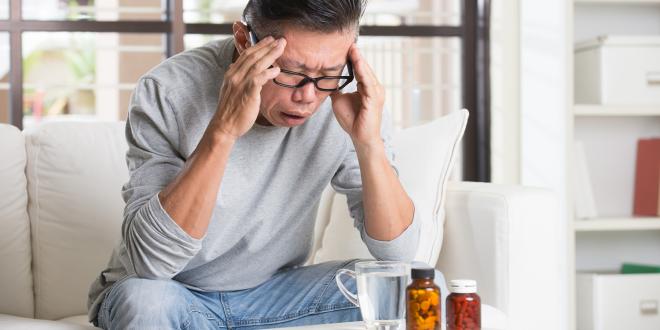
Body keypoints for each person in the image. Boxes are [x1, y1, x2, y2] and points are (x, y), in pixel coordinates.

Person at [87, 0, 437, 329]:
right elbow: (152, 264)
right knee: (144, 302)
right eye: (289, 72)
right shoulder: (167, 90)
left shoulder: (344, 100)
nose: (307, 97)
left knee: (414, 291)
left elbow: (399, 253)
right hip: (173, 293)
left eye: (329, 73)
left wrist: (369, 143)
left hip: (276, 296)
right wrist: (223, 130)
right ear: (244, 40)